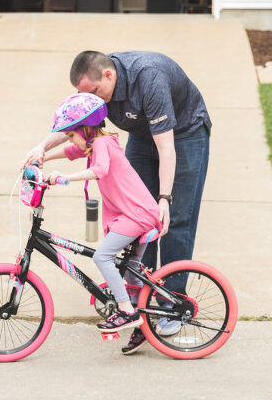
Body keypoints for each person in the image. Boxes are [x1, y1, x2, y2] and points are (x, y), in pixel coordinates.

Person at [24, 50, 211, 355]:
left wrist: (164, 199)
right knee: (134, 226)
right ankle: (140, 304)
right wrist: (41, 148)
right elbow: (76, 125)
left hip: (183, 135)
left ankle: (170, 304)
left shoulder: (149, 79)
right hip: (141, 133)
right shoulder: (95, 90)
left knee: (173, 221)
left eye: (95, 93)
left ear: (108, 76)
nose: (93, 100)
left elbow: (166, 148)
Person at [41, 92, 162, 333]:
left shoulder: (103, 144)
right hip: (134, 213)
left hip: (136, 214)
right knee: (132, 271)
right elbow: (71, 153)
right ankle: (143, 327)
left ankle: (127, 311)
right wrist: (41, 156)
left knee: (103, 257)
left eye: (72, 134)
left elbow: (100, 170)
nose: (71, 140)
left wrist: (65, 178)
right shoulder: (97, 144)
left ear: (86, 129)